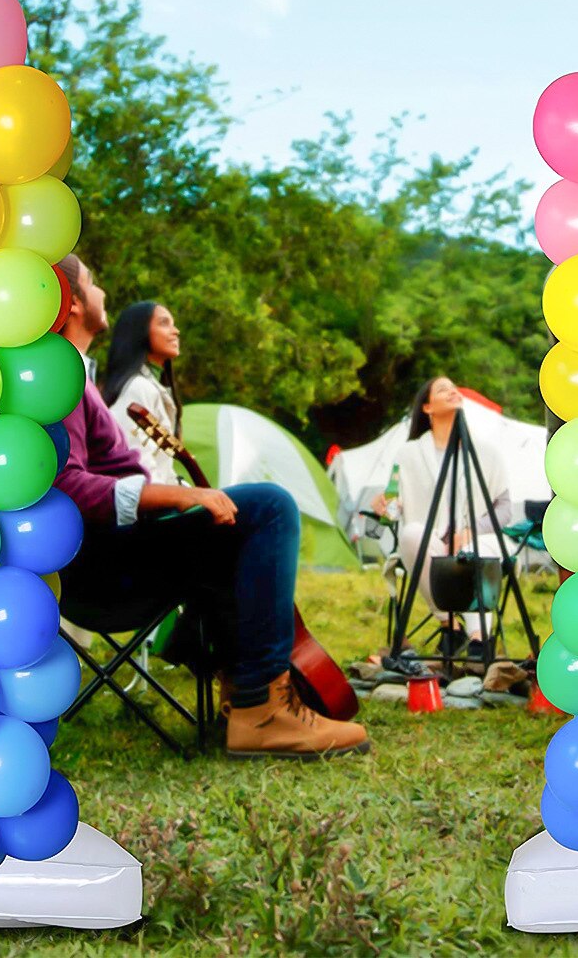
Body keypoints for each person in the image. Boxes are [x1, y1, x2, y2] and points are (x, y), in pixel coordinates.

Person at [53, 254, 369, 759]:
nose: (104, 293)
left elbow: (114, 474)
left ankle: (245, 693)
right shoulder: (54, 375)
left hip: (110, 557)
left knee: (235, 522)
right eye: (93, 283)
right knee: (268, 505)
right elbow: (67, 487)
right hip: (98, 570)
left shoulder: (76, 378)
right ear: (70, 303)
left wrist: (182, 502)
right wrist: (181, 494)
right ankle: (262, 709)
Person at [373, 377, 511, 659]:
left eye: (454, 388)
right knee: (411, 534)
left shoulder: (486, 452)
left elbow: (505, 508)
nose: (453, 391)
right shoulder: (408, 454)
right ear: (427, 408)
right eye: (442, 389)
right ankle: (449, 626)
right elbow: (394, 508)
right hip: (432, 543)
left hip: (480, 541)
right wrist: (384, 505)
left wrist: (472, 530)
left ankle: (478, 638)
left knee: (470, 551)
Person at [102, 301, 182, 485]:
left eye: (173, 323)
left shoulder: (153, 388)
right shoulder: (137, 388)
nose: (176, 331)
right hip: (150, 503)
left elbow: (163, 466)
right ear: (139, 332)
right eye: (164, 323)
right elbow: (135, 460)